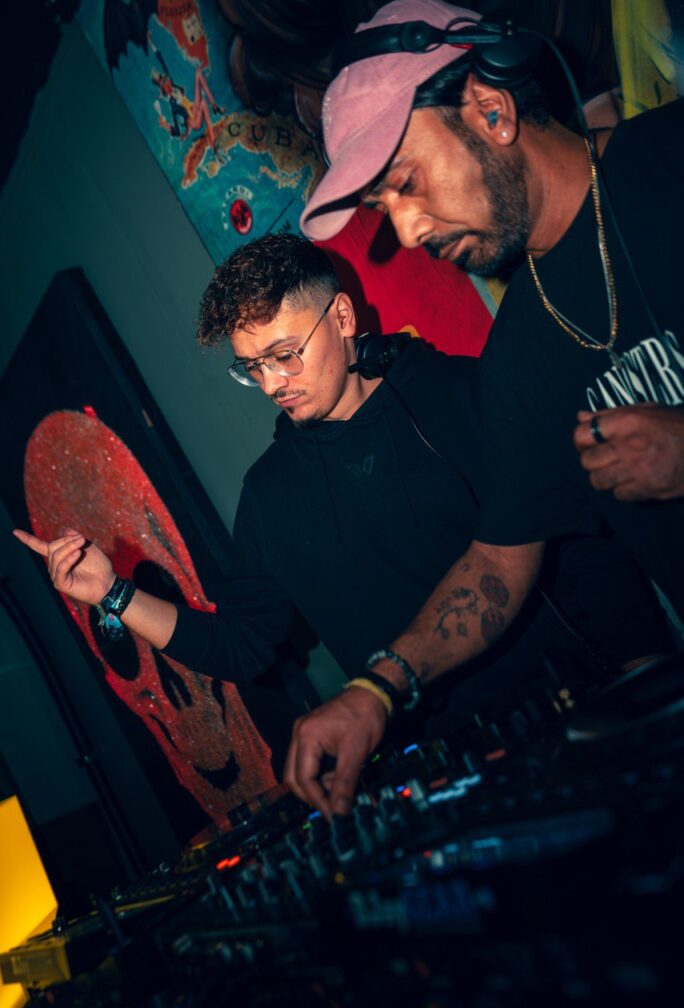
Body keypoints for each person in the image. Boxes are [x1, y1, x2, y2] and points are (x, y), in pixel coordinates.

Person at [14, 235, 669, 789]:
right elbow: (242, 644)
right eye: (251, 368)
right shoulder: (270, 496)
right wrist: (114, 594)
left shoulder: (463, 394)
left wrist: (645, 674)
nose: (272, 384)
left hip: (586, 718)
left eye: (284, 355)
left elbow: (584, 544)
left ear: (344, 317)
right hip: (450, 771)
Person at [287, 0, 683, 816]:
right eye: (383, 207)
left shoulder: (671, 160)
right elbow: (502, 560)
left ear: (493, 111)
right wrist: (376, 688)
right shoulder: (517, 359)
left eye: (405, 183)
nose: (404, 230)